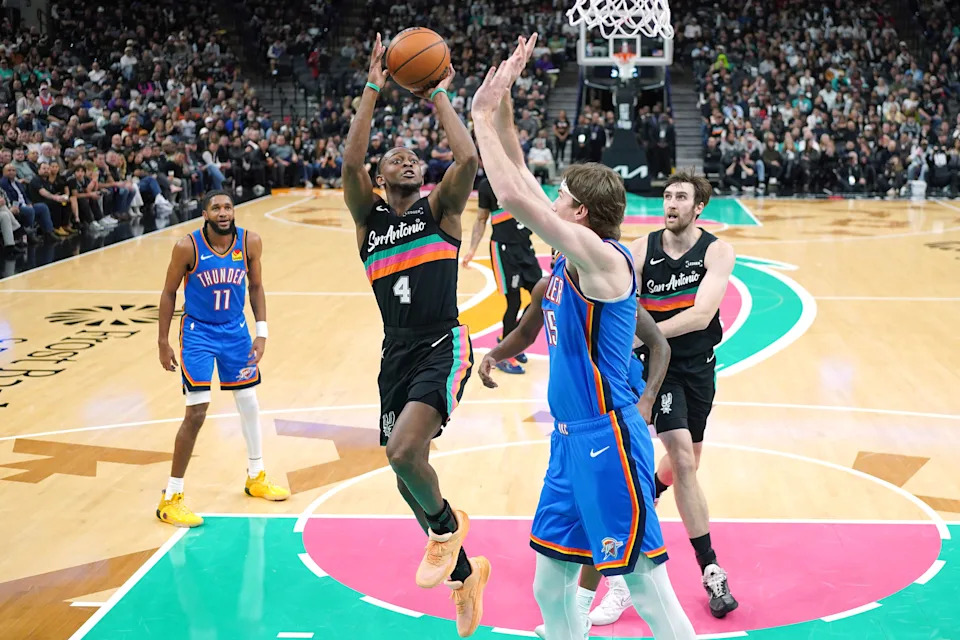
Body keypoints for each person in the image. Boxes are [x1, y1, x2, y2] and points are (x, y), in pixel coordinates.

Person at [471, 34, 696, 640]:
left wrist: (478, 117)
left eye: (562, 199)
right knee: (549, 585)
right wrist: (504, 102)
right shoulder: (569, 262)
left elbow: (516, 195)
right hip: (567, 440)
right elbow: (519, 174)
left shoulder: (602, 260)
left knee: (647, 588)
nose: (553, 202)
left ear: (581, 217)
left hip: (608, 436)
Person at [339, 34, 489, 638]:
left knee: (403, 453)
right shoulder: (367, 218)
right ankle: (464, 575)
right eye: (395, 157)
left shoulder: (440, 212)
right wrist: (374, 85)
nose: (408, 159)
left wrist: (440, 95)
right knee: (405, 469)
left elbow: (468, 161)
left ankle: (447, 530)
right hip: (393, 351)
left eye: (413, 156)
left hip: (441, 343)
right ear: (379, 177)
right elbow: (349, 163)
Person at [478, 278, 669, 639]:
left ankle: (607, 591)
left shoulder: (605, 279)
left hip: (612, 419)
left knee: (627, 541)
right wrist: (495, 354)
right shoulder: (548, 287)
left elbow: (658, 343)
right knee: (573, 543)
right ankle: (583, 608)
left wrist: (646, 401)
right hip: (572, 431)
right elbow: (525, 331)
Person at [601, 171, 736, 620]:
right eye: (667, 196)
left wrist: (649, 335)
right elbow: (624, 301)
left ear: (699, 207)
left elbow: (701, 315)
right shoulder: (642, 250)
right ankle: (711, 569)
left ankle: (653, 490)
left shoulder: (716, 251)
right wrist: (642, 347)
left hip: (700, 367)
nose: (671, 203)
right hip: (659, 371)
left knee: (688, 464)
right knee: (680, 456)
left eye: (681, 197)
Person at [156, 190, 289, 528]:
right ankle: (171, 497)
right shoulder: (187, 246)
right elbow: (169, 292)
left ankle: (255, 475)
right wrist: (162, 341)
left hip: (235, 332)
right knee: (197, 412)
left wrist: (262, 332)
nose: (223, 212)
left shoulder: (250, 242)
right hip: (199, 333)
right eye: (216, 207)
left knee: (249, 402)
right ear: (205, 213)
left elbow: (256, 287)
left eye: (228, 206)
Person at [462, 172, 543, 373]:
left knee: (542, 297)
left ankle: (512, 338)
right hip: (504, 249)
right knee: (513, 302)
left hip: (525, 246)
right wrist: (472, 249)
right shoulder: (486, 185)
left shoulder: (522, 178)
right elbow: (481, 219)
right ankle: (505, 355)